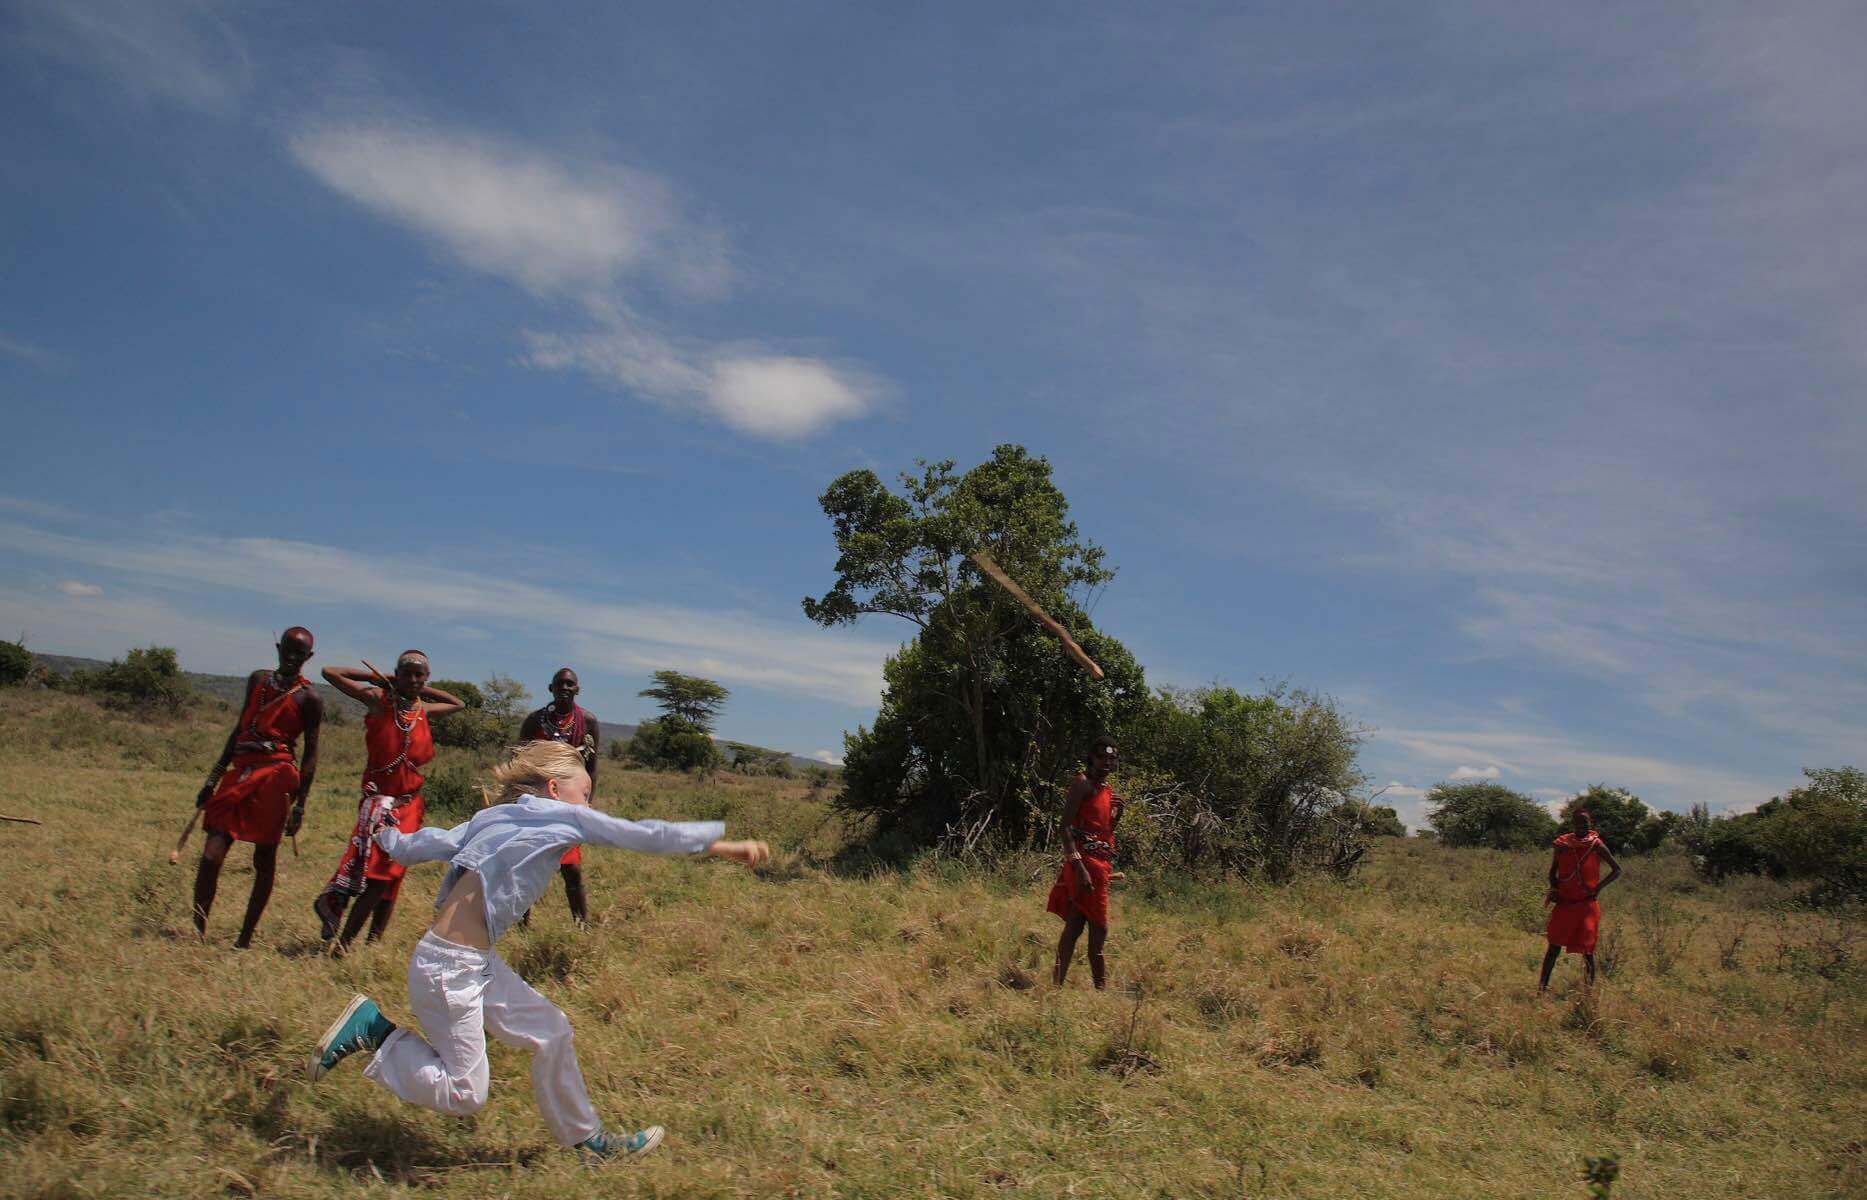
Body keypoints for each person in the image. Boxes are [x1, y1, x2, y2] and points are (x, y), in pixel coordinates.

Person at [305, 740, 769, 1162]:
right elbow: (643, 833)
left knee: (552, 1030)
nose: (589, 806)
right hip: (450, 969)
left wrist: (384, 832)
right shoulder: (564, 817)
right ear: (554, 789)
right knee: (466, 1093)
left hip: (468, 962)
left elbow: (423, 845)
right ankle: (375, 1031)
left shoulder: (493, 817)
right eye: (585, 794)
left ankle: (589, 1141)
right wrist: (722, 846)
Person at [313, 652, 464, 953]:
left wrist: (418, 687)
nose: (413, 679)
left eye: (420, 675)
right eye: (407, 673)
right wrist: (380, 679)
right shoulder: (378, 701)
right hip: (379, 806)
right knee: (379, 877)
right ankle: (344, 945)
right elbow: (330, 672)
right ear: (395, 674)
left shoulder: (423, 710)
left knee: (393, 875)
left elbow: (457, 703)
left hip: (410, 806)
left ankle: (372, 943)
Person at [191, 628, 324, 947]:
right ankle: (198, 931)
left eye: (299, 653)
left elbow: (311, 753)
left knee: (264, 859)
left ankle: (245, 938)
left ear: (309, 657)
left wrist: (300, 806)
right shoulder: (258, 680)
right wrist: (212, 779)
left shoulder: (310, 698)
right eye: (287, 649)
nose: (292, 657)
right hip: (240, 772)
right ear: (278, 648)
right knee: (211, 855)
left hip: (276, 779)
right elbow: (238, 729)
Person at [518, 668, 600, 925]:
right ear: (550, 688)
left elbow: (592, 767)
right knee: (528, 864)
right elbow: (519, 762)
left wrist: (587, 802)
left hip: (569, 804)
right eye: (560, 683)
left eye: (569, 683)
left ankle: (582, 927)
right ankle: (522, 926)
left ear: (577, 689)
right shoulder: (534, 721)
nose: (564, 687)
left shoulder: (588, 721)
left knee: (571, 868)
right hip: (537, 803)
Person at [1048, 739, 1126, 990]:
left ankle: (1059, 987)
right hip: (1085, 867)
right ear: (1091, 758)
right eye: (1103, 757)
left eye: (1112, 758)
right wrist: (1079, 868)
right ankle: (1099, 991)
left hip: (1099, 867)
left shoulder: (1105, 789)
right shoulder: (1082, 784)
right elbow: (1064, 827)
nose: (1108, 762)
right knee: (1098, 929)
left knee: (1075, 925)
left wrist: (1117, 816)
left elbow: (1101, 833)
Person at [1540, 808, 1623, 992]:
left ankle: (1588, 995)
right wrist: (1554, 889)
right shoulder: (1562, 844)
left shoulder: (1596, 845)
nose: (1581, 826)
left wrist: (1597, 888)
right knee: (1553, 947)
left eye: (1585, 823)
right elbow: (1553, 872)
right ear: (1573, 824)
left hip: (1587, 905)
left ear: (1590, 823)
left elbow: (1617, 869)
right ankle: (1541, 990)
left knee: (1587, 950)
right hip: (1565, 903)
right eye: (1578, 823)